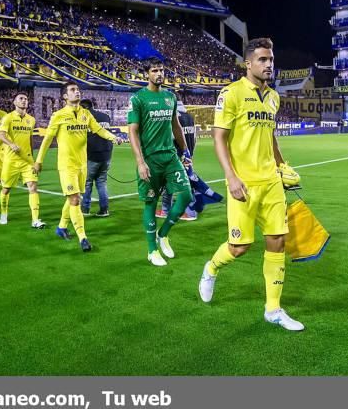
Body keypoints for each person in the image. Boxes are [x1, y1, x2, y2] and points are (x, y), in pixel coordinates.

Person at [198, 37, 304, 331]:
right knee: (239, 246)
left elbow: (271, 136)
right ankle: (211, 268)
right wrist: (230, 177)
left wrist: (282, 166)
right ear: (248, 63)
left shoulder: (273, 97)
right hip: (243, 183)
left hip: (271, 182)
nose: (269, 64)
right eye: (262, 60)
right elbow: (219, 138)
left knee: (277, 242)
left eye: (271, 59)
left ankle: (273, 309)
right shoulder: (230, 94)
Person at [34, 82, 122, 252]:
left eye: (78, 90)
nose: (77, 92)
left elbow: (98, 130)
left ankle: (61, 227)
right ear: (65, 96)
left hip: (82, 165)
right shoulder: (58, 116)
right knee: (75, 199)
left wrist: (113, 137)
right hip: (67, 165)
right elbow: (46, 140)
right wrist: (39, 161)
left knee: (74, 198)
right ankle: (83, 238)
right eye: (73, 90)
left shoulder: (85, 113)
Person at [127, 58, 193, 267]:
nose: (159, 73)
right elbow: (132, 131)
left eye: (161, 70)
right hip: (150, 160)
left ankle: (163, 234)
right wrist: (140, 162)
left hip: (171, 156)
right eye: (155, 70)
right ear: (147, 74)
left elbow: (176, 126)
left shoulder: (169, 97)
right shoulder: (138, 98)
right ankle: (152, 250)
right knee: (151, 202)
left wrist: (185, 151)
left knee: (186, 196)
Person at [0, 92, 45, 228]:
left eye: (26, 99)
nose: (24, 101)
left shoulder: (31, 119)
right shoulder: (8, 118)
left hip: (27, 161)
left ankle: (35, 220)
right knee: (6, 189)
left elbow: (30, 139)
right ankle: (4, 213)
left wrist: (34, 159)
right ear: (15, 102)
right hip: (11, 160)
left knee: (33, 187)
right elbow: (1, 135)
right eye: (21, 99)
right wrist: (11, 144)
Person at [158, 101, 198, 220]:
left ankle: (186, 212)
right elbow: (195, 138)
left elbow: (169, 138)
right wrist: (190, 155)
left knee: (170, 183)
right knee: (188, 182)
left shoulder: (174, 118)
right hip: (187, 155)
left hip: (175, 156)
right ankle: (187, 209)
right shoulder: (190, 117)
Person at [80, 99, 112, 217]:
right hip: (107, 155)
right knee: (102, 182)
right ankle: (104, 210)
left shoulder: (84, 117)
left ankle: (85, 209)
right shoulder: (105, 116)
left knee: (87, 183)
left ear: (83, 107)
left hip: (92, 155)